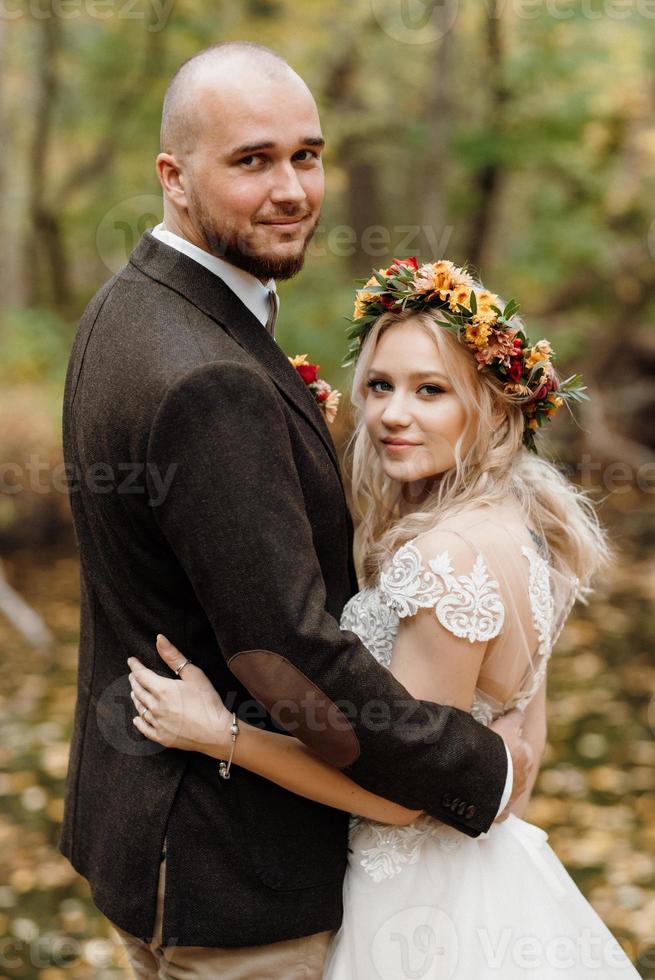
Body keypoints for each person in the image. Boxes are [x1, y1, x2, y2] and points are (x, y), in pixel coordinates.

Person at [60, 44, 529, 980]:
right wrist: (483, 769)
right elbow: (288, 655)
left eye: (305, 156)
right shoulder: (207, 379)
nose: (290, 188)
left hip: (140, 835)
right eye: (251, 160)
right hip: (232, 874)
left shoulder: (127, 307)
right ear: (174, 176)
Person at [130, 258, 642, 978]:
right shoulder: (525, 525)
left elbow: (403, 795)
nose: (391, 415)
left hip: (413, 913)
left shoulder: (445, 558)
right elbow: (525, 750)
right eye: (379, 385)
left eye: (430, 391)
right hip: (492, 876)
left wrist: (223, 734)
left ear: (493, 406)